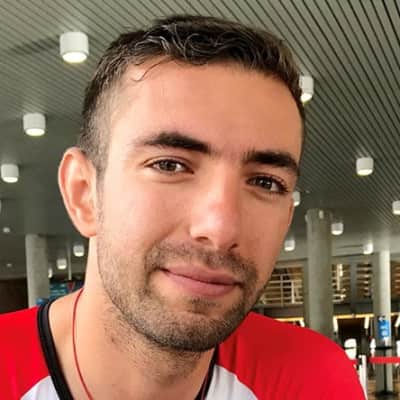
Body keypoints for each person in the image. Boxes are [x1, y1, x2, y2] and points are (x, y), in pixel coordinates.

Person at [0, 15, 365, 399]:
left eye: (265, 182)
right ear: (84, 193)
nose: (221, 229)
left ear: (287, 216)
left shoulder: (312, 380)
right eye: (169, 165)